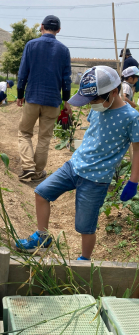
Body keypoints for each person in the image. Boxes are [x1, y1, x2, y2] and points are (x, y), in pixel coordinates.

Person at [16, 66, 139, 260]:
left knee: (85, 226)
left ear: (114, 92)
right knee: (41, 193)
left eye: (95, 99)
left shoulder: (131, 118)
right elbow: (94, 134)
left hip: (96, 179)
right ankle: (42, 237)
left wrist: (133, 181)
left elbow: (137, 150)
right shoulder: (98, 108)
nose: (92, 104)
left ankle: (84, 259)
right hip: (73, 166)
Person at [16, 15, 72, 181]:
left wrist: (20, 94)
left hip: (33, 97)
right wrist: (66, 100)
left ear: (42, 27)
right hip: (53, 101)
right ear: (59, 30)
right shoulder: (64, 50)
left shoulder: (31, 45)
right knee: (44, 137)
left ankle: (28, 167)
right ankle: (38, 172)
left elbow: (23, 72)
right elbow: (66, 79)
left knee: (25, 132)